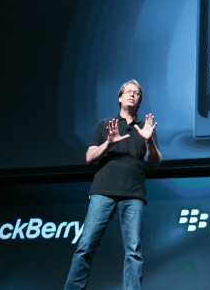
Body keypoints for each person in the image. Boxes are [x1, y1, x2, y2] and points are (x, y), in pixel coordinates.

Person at [64, 79, 162, 290]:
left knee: (134, 251)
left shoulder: (146, 128)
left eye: (136, 93)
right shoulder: (106, 125)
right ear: (120, 97)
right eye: (128, 91)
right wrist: (108, 142)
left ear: (139, 100)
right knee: (86, 245)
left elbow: (155, 162)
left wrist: (148, 140)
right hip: (103, 191)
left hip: (134, 193)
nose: (132, 95)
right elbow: (90, 157)